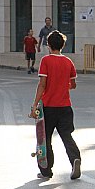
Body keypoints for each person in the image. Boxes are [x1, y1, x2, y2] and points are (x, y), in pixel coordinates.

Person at [29, 30, 81, 180]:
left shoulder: (46, 61)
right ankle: (75, 159)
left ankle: (46, 170)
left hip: (49, 107)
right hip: (65, 107)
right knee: (66, 135)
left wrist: (35, 105)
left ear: (48, 45)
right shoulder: (68, 62)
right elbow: (73, 84)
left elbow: (42, 84)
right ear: (63, 45)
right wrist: (62, 85)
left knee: (45, 139)